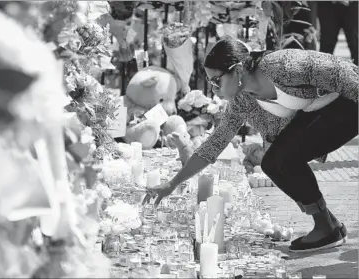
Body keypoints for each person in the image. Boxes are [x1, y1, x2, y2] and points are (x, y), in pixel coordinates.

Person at [142, 37, 358, 253]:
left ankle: (325, 228)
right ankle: (328, 224)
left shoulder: (280, 65)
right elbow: (215, 144)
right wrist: (172, 184)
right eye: (210, 83)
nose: (214, 89)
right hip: (318, 113)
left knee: (286, 156)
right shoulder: (241, 101)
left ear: (236, 71)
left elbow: (340, 72)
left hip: (349, 102)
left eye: (216, 80)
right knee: (272, 163)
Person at [318, 1, 358, 65]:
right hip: (327, 5)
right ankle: (322, 72)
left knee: (355, 44)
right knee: (326, 45)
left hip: (353, 5)